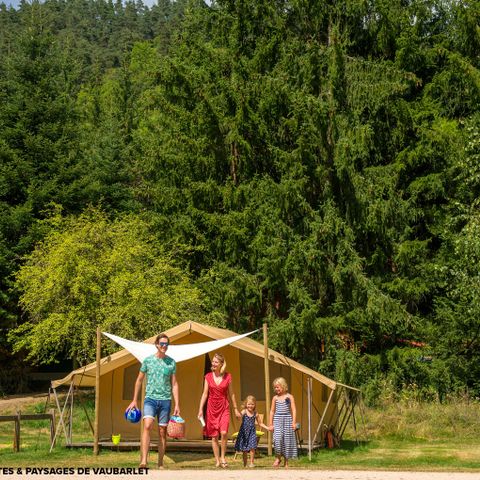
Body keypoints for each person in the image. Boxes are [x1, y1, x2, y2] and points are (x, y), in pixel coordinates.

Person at [127, 333, 180, 469]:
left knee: (162, 431)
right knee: (147, 426)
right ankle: (144, 461)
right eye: (162, 344)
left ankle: (160, 462)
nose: (164, 346)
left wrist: (177, 404)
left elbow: (174, 384)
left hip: (165, 401)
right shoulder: (148, 361)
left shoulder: (171, 362)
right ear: (156, 344)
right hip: (150, 399)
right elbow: (139, 380)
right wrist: (134, 400)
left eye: (166, 344)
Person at [197, 352, 241, 468]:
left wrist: (236, 409)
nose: (213, 363)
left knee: (224, 432)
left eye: (216, 362)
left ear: (221, 364)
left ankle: (223, 457)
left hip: (224, 407)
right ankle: (217, 460)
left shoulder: (228, 376)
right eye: (213, 361)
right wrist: (200, 409)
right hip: (211, 408)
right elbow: (205, 394)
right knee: (214, 436)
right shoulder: (208, 376)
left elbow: (232, 394)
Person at [234, 395, 271, 468]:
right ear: (246, 404)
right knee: (244, 449)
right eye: (249, 404)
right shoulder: (244, 411)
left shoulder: (255, 413)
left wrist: (267, 428)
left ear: (254, 405)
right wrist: (237, 415)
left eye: (252, 404)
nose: (250, 406)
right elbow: (239, 417)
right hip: (244, 433)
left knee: (252, 447)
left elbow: (260, 423)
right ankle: (245, 464)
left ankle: (251, 463)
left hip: (252, 432)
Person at [269, 377, 297, 468]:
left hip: (287, 419)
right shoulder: (275, 398)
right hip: (277, 420)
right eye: (275, 387)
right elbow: (272, 411)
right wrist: (271, 424)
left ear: (284, 386)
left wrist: (294, 422)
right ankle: (278, 458)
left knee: (287, 441)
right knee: (277, 439)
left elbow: (293, 409)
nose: (276, 389)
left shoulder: (289, 397)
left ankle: (286, 462)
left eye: (278, 387)